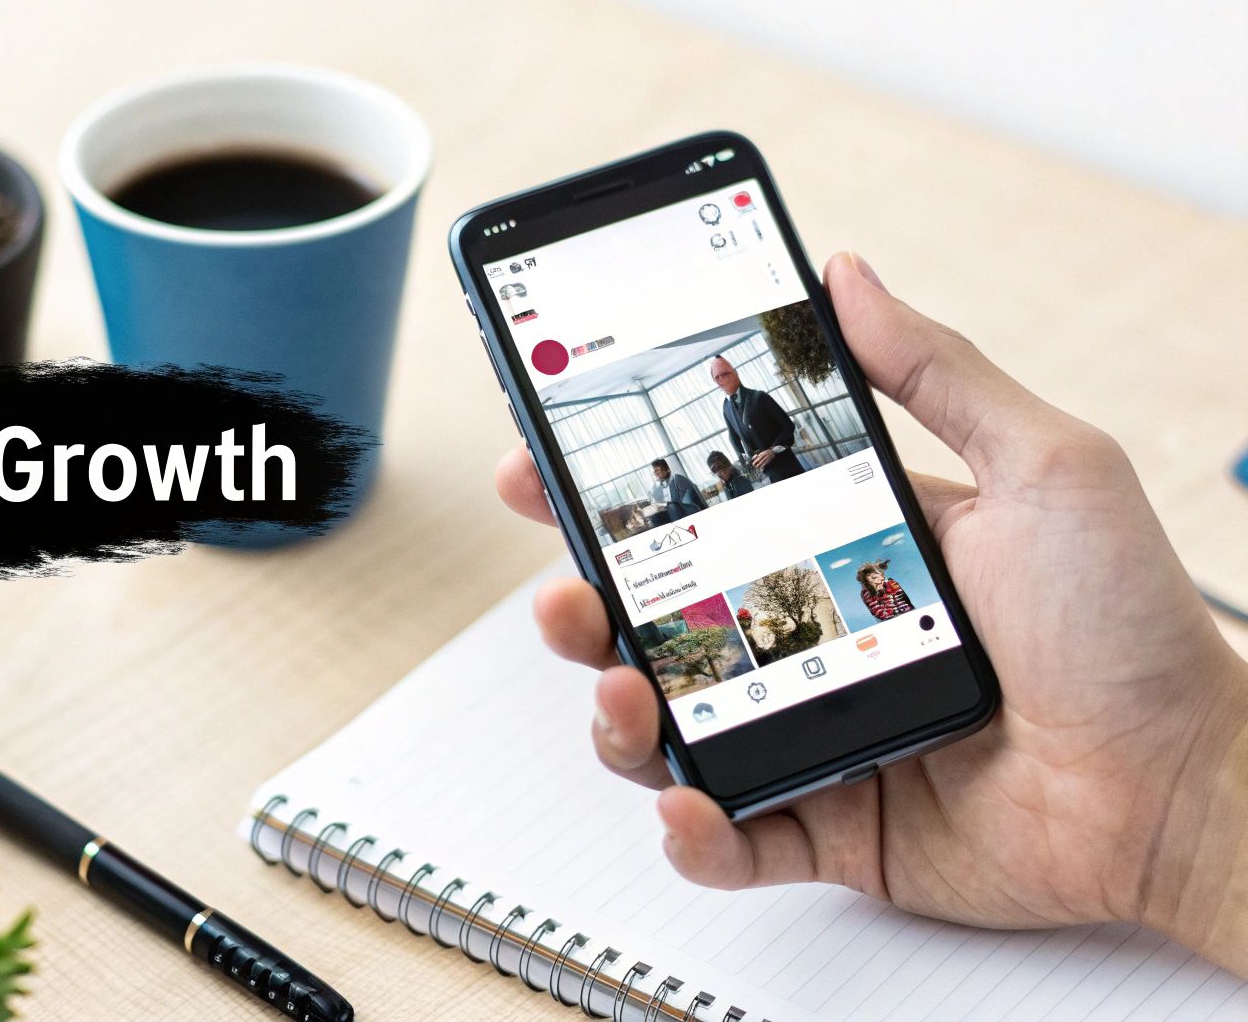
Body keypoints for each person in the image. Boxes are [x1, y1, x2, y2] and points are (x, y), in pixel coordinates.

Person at [494, 252, 1248, 977]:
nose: (723, 377)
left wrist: (1183, 791)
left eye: (726, 369)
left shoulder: (755, 398)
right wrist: (1186, 821)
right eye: (719, 373)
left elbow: (781, 430)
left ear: (733, 370)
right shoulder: (725, 411)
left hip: (791, 475)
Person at [711, 354, 807, 483]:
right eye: (717, 377)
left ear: (735, 373)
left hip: (786, 467)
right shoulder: (726, 406)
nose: (721, 379)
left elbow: (788, 426)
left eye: (725, 373)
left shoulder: (760, 397)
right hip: (762, 475)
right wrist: (744, 458)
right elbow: (733, 436)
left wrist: (772, 451)